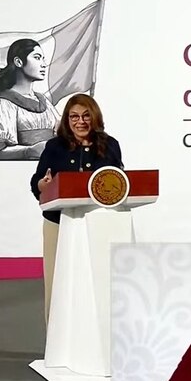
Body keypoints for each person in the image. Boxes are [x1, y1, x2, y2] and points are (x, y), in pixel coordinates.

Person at [29, 93, 122, 325]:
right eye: (73, 117)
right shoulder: (54, 147)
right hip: (58, 224)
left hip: (98, 224)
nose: (80, 121)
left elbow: (118, 182)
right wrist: (43, 184)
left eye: (85, 115)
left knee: (95, 283)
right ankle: (55, 341)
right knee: (57, 283)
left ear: (95, 117)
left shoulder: (111, 146)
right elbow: (37, 182)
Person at [0, 38, 61, 160]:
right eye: (37, 57)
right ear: (18, 62)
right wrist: (29, 151)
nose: (43, 64)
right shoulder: (3, 103)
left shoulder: (45, 102)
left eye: (43, 59)